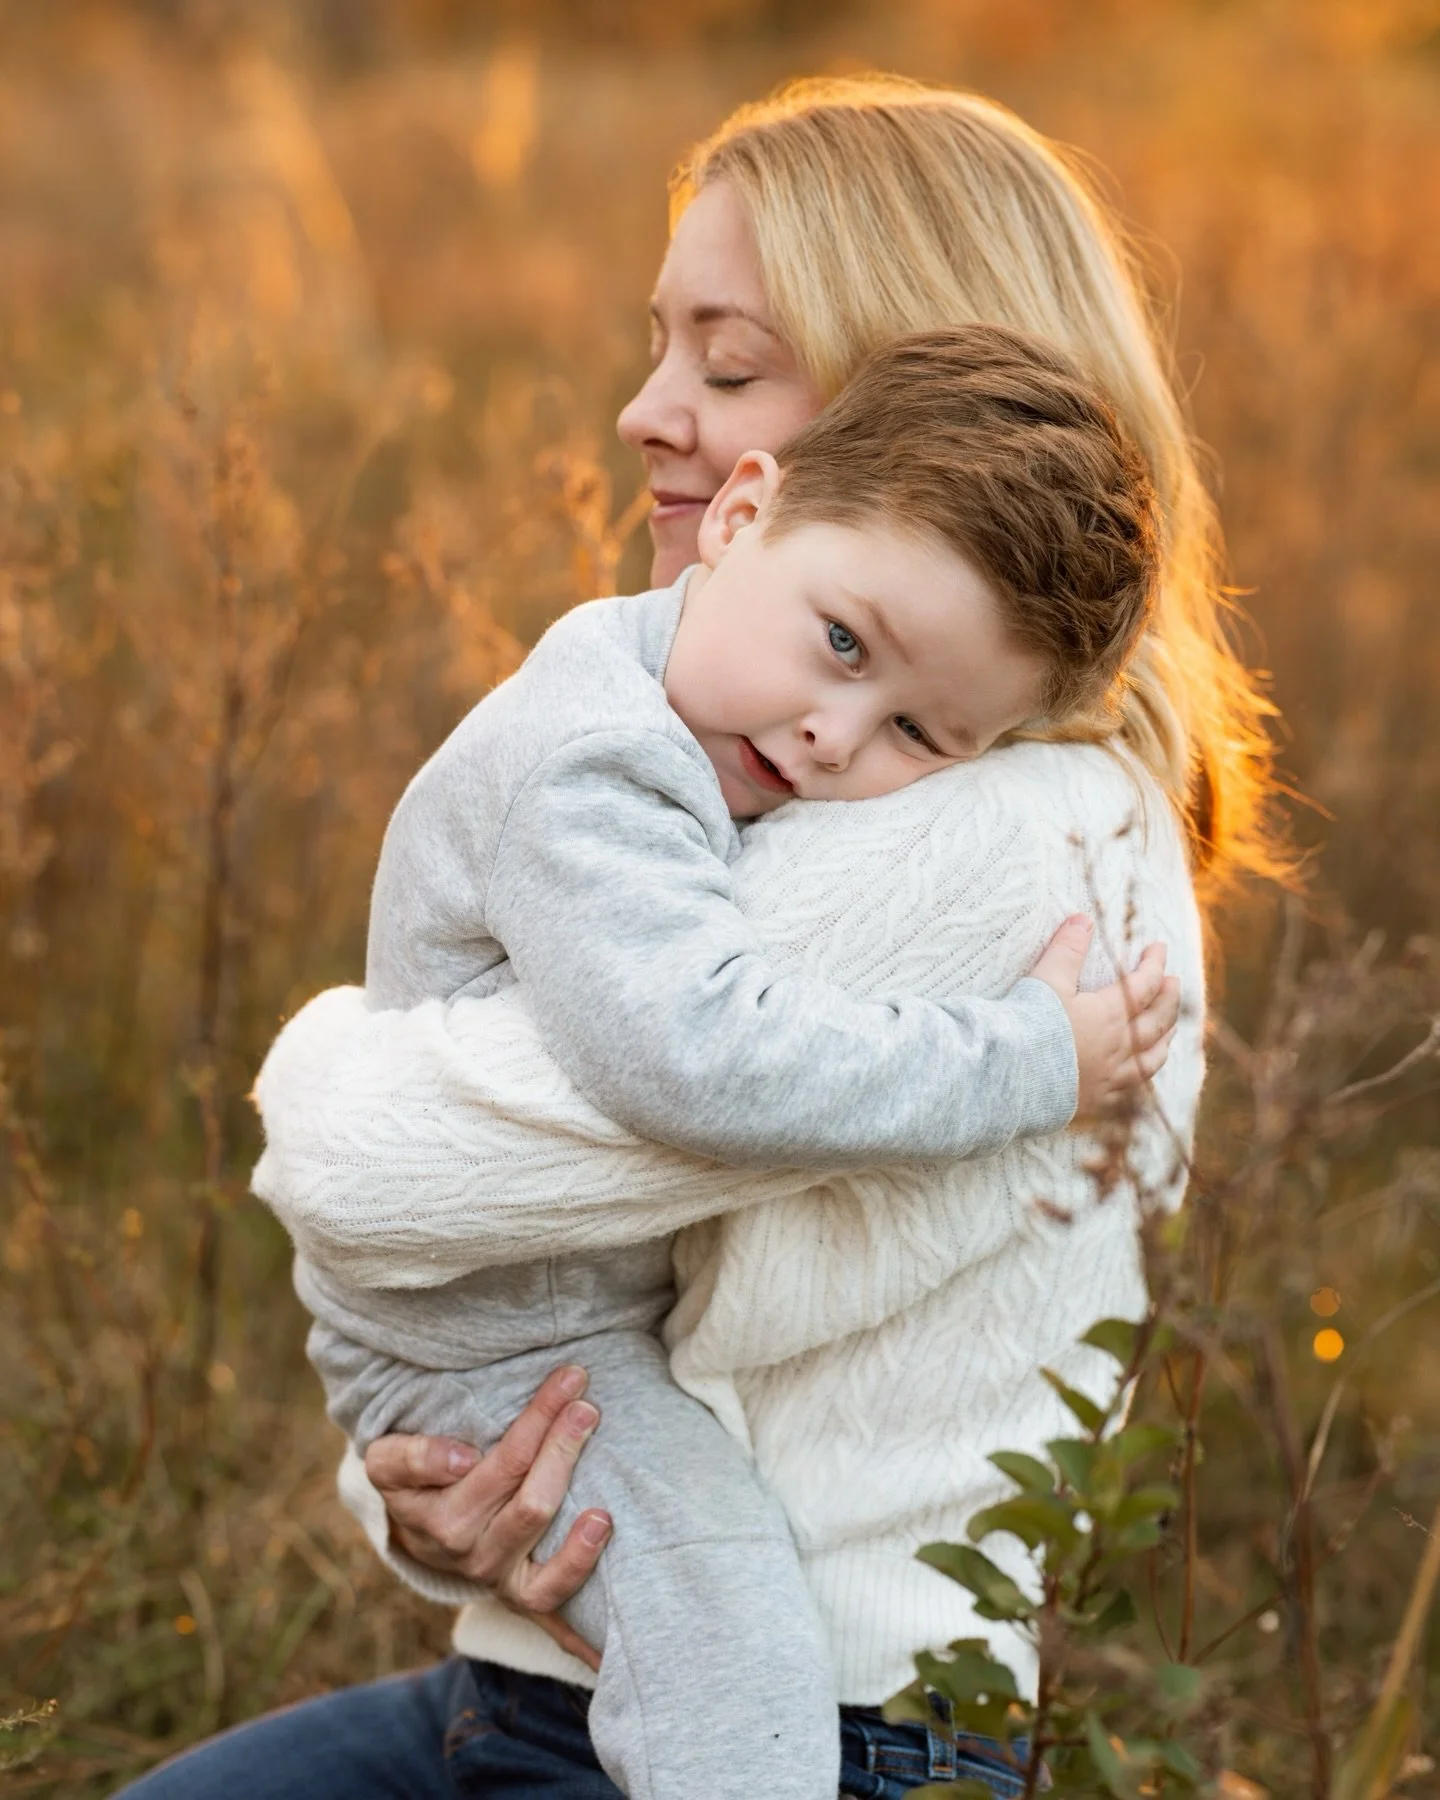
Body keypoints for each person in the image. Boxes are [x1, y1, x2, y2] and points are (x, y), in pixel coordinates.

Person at [116, 74, 1280, 1800]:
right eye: (662, 346)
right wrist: (438, 1500)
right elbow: (563, 1298)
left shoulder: (988, 831)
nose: (648, 411)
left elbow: (380, 1173)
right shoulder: (781, 749)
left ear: (933, 401)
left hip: (801, 1731)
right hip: (573, 1683)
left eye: (731, 367)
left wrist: (328, 1058)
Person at [263, 323, 1171, 1800]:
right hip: (504, 1350)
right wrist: (1029, 1056)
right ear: (743, 518)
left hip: (525, 1345)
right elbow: (704, 1061)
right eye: (840, 646)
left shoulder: (695, 715)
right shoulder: (597, 770)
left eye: (920, 733)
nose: (831, 737)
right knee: (731, 1646)